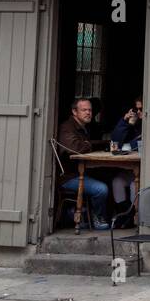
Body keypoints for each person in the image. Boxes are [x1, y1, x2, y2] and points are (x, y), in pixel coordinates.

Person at [56, 97, 111, 231]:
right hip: (68, 177)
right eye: (84, 110)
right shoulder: (67, 128)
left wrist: (88, 144)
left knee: (109, 177)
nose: (88, 113)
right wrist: (87, 144)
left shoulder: (83, 127)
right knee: (101, 189)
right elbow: (75, 147)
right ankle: (96, 217)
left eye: (90, 110)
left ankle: (101, 216)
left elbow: (84, 146)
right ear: (74, 112)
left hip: (81, 172)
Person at [108, 98, 143, 227]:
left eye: (141, 109)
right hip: (132, 169)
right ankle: (124, 216)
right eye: (136, 109)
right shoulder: (133, 124)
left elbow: (135, 145)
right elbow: (115, 141)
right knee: (117, 181)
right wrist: (125, 122)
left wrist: (129, 144)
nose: (138, 112)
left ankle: (135, 216)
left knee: (135, 185)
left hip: (146, 170)